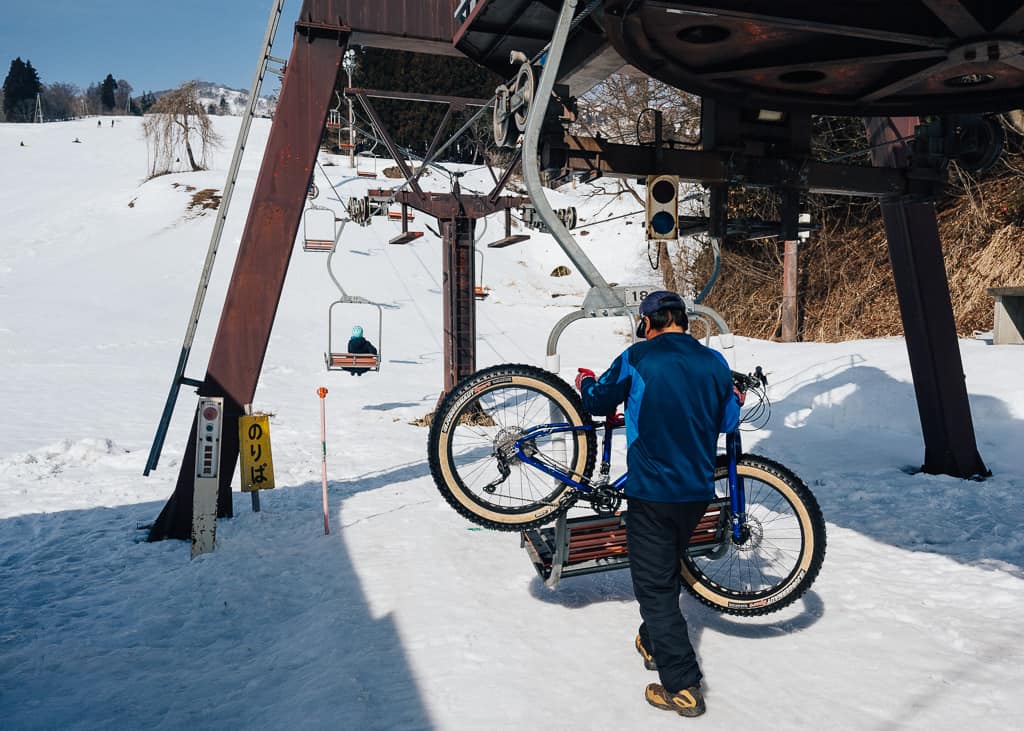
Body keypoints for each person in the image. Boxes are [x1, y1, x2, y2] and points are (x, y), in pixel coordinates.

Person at [575, 290, 740, 718]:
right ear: (683, 321)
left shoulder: (639, 358)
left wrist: (585, 382)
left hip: (650, 492)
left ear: (649, 323)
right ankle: (653, 641)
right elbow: (727, 421)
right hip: (698, 492)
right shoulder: (716, 363)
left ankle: (682, 686)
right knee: (664, 570)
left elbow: (597, 402)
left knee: (654, 590)